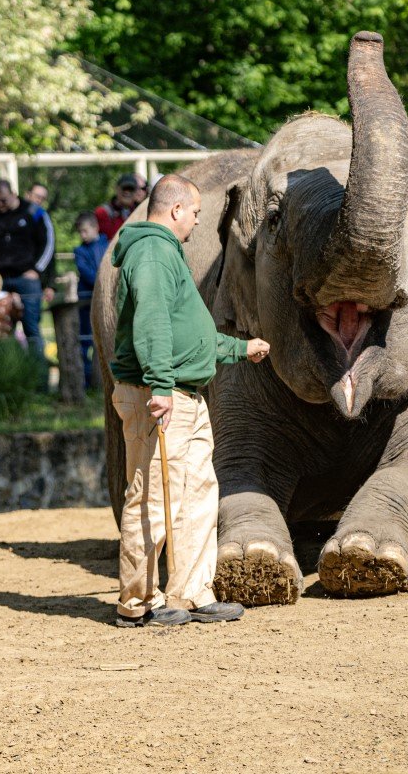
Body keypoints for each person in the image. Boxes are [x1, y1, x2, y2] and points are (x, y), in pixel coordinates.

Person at [110, 174, 268, 628]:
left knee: (197, 494)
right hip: (161, 395)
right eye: (195, 212)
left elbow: (187, 333)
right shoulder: (152, 251)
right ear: (176, 209)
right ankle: (139, 602)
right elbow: (152, 321)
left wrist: (240, 348)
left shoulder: (166, 253)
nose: (198, 221)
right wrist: (160, 386)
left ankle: (192, 592)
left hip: (186, 396)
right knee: (152, 496)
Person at [0, 180, 49, 386]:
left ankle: (40, 382)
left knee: (32, 329)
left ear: (14, 194)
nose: (0, 204)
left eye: (4, 200)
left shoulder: (33, 212)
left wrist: (37, 270)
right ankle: (6, 381)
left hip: (27, 279)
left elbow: (47, 242)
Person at [73, 211, 110, 390]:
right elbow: (85, 272)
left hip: (105, 299)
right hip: (87, 299)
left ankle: (103, 379)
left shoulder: (108, 245)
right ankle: (86, 380)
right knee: (85, 338)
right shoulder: (79, 251)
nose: (82, 235)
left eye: (85, 231)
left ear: (95, 228)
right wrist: (102, 282)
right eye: (80, 232)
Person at [25, 182, 58, 293]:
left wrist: (50, 284)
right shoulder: (13, 214)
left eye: (43, 198)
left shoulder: (44, 219)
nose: (39, 200)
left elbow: (50, 250)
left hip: (34, 277)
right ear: (27, 194)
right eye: (37, 196)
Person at [96, 174, 142, 241]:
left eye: (131, 189)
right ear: (117, 189)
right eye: (124, 188)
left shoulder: (140, 212)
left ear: (136, 192)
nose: (127, 192)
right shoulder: (102, 212)